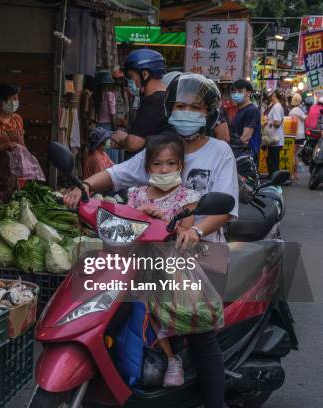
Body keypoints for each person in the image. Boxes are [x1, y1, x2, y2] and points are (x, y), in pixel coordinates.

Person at [65, 73, 238, 408]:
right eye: (180, 106)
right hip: (153, 252)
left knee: (198, 333)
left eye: (194, 107)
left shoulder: (220, 152)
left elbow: (226, 208)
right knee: (115, 307)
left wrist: (195, 230)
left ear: (209, 113)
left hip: (202, 252)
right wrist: (83, 188)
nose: (186, 112)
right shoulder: (160, 148)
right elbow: (116, 174)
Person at [125, 134, 200, 387]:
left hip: (169, 266)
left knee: (147, 299)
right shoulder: (135, 195)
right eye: (157, 164)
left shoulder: (188, 198)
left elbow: (185, 237)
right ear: (148, 167)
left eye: (171, 163)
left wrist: (160, 222)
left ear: (180, 166)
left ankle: (172, 358)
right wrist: (136, 215)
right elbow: (125, 229)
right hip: (133, 264)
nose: (164, 169)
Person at [111, 49, 168, 155]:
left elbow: (134, 143)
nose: (129, 82)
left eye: (130, 76)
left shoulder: (153, 102)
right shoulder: (166, 96)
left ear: (145, 74)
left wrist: (122, 139)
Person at [230, 79, 261, 160]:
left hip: (246, 156)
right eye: (234, 91)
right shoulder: (240, 110)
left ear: (248, 93)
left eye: (240, 91)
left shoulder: (251, 110)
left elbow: (245, 138)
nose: (236, 94)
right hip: (238, 154)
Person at [94, 69, 119, 162]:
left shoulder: (95, 96)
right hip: (108, 126)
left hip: (98, 127)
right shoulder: (110, 95)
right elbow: (113, 114)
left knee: (100, 152)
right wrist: (115, 128)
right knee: (110, 153)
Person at [263, 89, 285, 176]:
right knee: (271, 161)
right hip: (274, 139)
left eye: (271, 95)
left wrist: (268, 123)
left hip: (275, 139)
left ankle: (275, 182)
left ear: (274, 96)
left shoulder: (276, 107)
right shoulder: (276, 106)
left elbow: (277, 123)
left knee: (273, 163)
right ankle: (273, 180)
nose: (270, 96)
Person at [289, 93, 306, 180]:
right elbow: (305, 119)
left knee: (293, 155)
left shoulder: (292, 111)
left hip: (294, 135)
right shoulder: (300, 110)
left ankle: (294, 173)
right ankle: (295, 173)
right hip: (301, 135)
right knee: (295, 155)